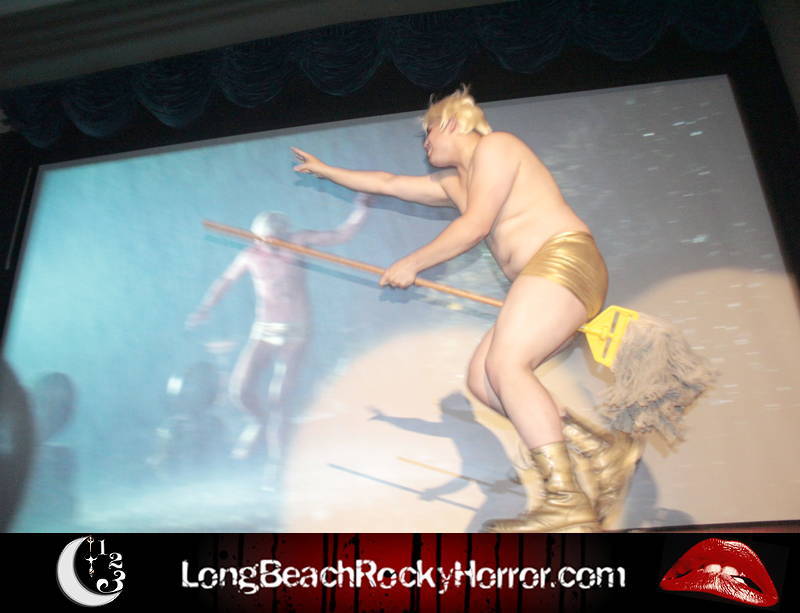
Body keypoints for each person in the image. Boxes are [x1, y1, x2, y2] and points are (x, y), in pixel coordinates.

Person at [292, 86, 635, 532]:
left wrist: (414, 262)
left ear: (452, 123)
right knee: (485, 381)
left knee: (507, 367)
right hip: (541, 277)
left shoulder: (497, 147)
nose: (425, 143)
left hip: (563, 260)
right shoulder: (458, 183)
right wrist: (327, 170)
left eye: (428, 132)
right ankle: (600, 448)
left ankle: (565, 500)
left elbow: (475, 225)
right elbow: (388, 183)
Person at [186, 195, 370, 488]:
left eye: (277, 240)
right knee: (240, 391)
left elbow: (341, 234)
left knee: (280, 401)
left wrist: (361, 210)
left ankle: (276, 464)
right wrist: (205, 307)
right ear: (257, 238)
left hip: (297, 331)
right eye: (266, 240)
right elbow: (225, 281)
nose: (272, 246)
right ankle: (260, 422)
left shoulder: (299, 242)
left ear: (286, 235)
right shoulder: (249, 255)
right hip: (264, 330)